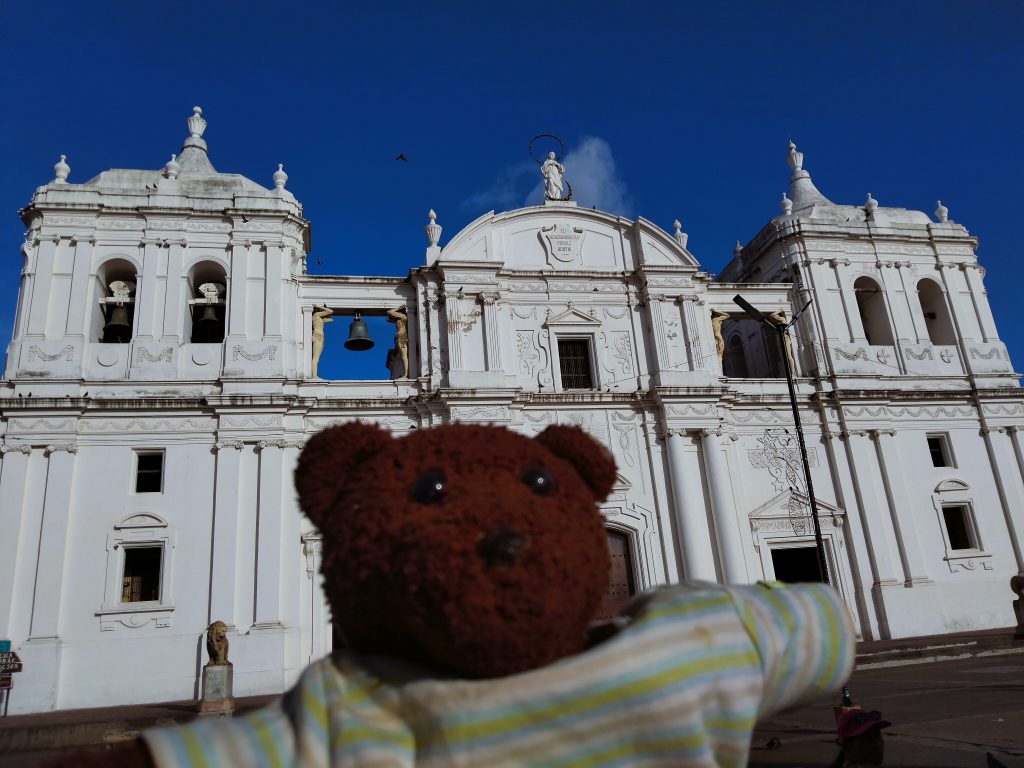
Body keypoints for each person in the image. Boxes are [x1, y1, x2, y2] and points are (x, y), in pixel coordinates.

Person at [310, 305, 333, 378]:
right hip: (318, 336)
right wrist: (320, 306)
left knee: (316, 358)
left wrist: (323, 318)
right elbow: (330, 311)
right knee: (316, 358)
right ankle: (314, 375)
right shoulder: (316, 315)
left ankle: (314, 374)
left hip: (319, 336)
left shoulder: (317, 317)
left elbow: (331, 319)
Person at [386, 305, 408, 378]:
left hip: (401, 337)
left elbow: (389, 312)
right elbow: (388, 319)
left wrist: (399, 308)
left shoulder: (402, 316)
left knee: (403, 356)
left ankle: (405, 375)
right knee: (402, 356)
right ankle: (405, 374)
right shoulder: (399, 319)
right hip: (398, 337)